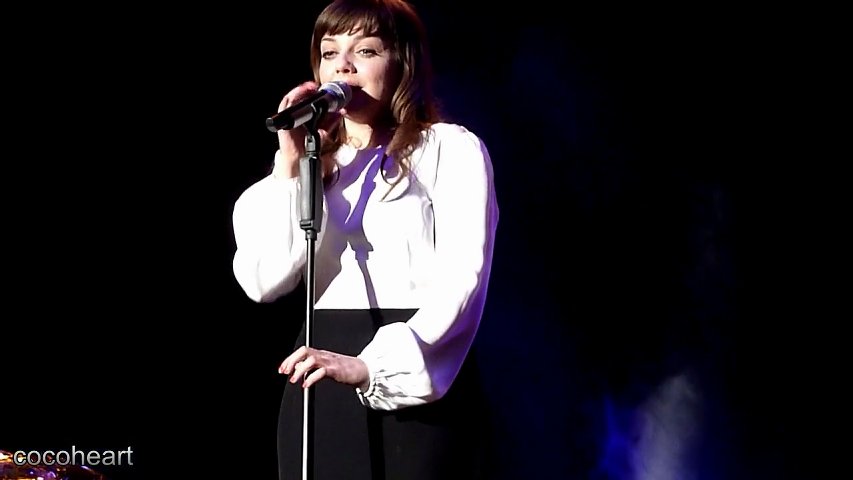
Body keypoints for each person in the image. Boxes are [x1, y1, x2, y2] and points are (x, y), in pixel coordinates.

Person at [230, 1, 499, 479]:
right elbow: (263, 281)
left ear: (403, 62)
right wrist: (290, 162)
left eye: (366, 51)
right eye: (330, 53)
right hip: (320, 373)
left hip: (417, 375)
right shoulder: (309, 166)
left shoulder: (448, 150)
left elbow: (465, 280)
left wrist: (372, 367)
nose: (344, 66)